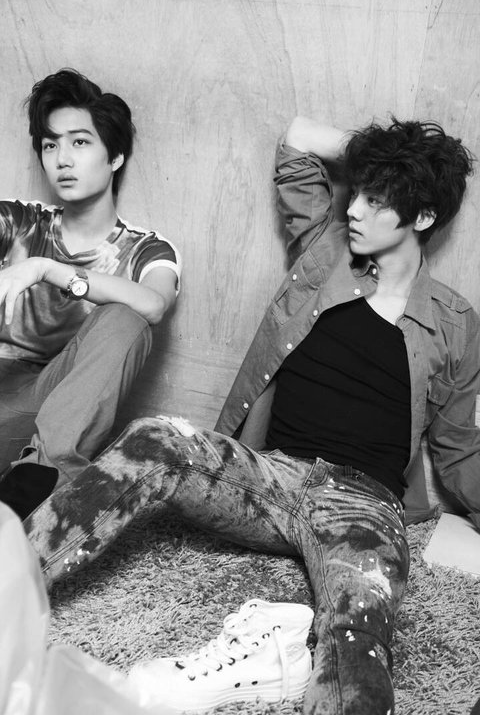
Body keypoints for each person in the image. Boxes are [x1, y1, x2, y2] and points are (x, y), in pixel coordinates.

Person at [24, 116, 480, 715]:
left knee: (357, 631)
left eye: (377, 200)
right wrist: (383, 158)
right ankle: (14, 578)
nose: (354, 210)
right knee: (157, 439)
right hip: (269, 475)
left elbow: (460, 446)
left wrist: (413, 171)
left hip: (364, 503)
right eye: (358, 192)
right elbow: (298, 140)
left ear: (423, 217)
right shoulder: (325, 252)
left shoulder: (454, 321)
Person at [0, 69, 181, 520]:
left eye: (79, 142)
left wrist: (48, 269)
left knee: (127, 315)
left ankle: (37, 484)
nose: (62, 159)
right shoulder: (15, 222)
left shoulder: (147, 250)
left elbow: (154, 305)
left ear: (115, 156)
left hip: (34, 417)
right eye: (50, 145)